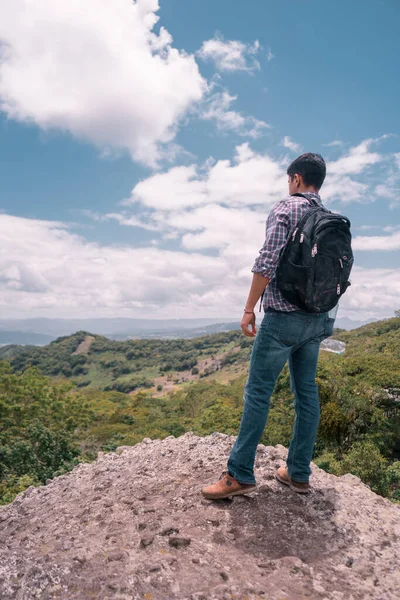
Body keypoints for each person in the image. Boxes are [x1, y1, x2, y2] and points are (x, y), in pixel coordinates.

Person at [202, 153, 338, 499]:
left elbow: (267, 261)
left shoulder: (286, 209)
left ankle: (239, 474)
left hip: (282, 320)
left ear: (295, 179)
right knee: (306, 394)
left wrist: (249, 308)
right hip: (317, 318)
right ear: (318, 182)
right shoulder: (330, 218)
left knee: (258, 393)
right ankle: (298, 472)